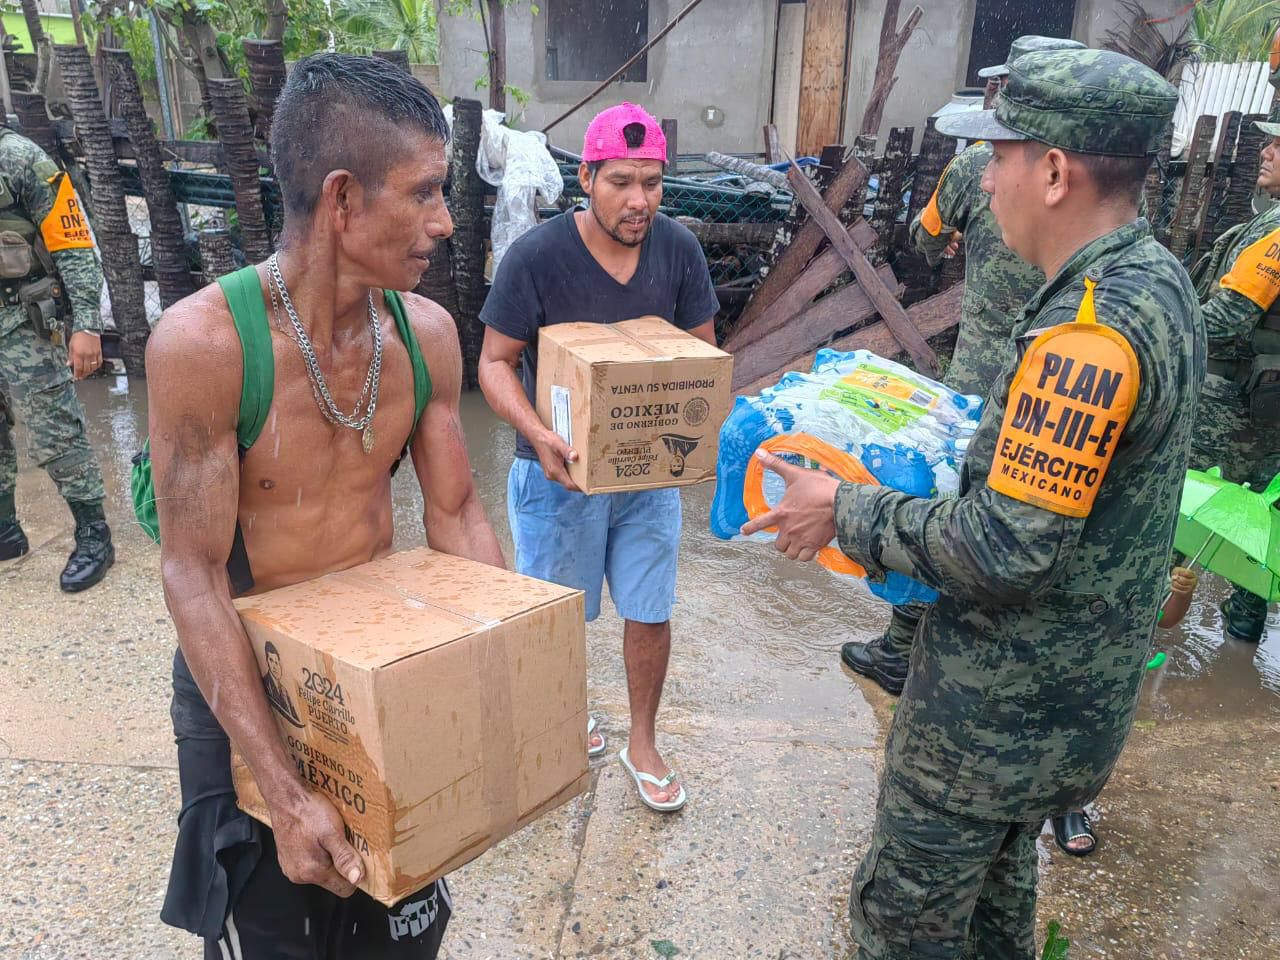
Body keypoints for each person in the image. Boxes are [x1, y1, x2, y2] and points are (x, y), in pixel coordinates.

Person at [744, 49, 1203, 956]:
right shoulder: (1158, 282)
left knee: (904, 926)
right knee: (997, 912)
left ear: (1056, 172)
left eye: (999, 158)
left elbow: (1005, 550)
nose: (985, 182)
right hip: (1058, 713)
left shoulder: (1088, 333)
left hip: (990, 721)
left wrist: (846, 509)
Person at [147, 54, 504, 959]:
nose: (444, 221)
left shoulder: (425, 335)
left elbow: (458, 515)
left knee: (403, 936)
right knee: (278, 939)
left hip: (377, 680)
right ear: (342, 199)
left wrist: (500, 680)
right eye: (424, 193)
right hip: (250, 692)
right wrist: (284, 789)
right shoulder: (206, 345)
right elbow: (191, 573)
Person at [478, 102, 719, 813]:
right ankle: (563, 717)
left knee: (650, 609)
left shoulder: (679, 250)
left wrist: (697, 432)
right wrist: (538, 433)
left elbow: (700, 358)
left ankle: (642, 743)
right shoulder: (536, 257)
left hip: (649, 479)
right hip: (555, 474)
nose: (639, 200)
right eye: (620, 182)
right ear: (585, 178)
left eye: (651, 182)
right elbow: (494, 363)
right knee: (555, 617)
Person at [842, 35, 1083, 696]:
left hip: (978, 374)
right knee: (1028, 517)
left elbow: (922, 241)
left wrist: (953, 240)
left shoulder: (971, 167)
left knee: (947, 500)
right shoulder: (1104, 204)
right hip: (1054, 384)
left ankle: (901, 647)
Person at [0, 125, 113, 591]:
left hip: (22, 319)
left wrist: (87, 325)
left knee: (55, 431)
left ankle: (94, 536)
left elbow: (74, 245)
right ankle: (6, 532)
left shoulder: (21, 158)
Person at [1186, 113, 1280, 643]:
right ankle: (1242, 637)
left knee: (1175, 502)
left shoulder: (1278, 231)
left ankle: (1140, 621)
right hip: (1269, 400)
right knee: (1259, 525)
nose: (1265, 152)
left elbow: (1227, 316)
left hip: (1231, 402)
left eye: (1278, 145)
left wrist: (1160, 331)